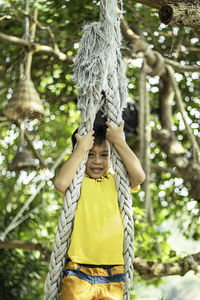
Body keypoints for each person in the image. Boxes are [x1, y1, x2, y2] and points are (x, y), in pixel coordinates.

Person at [54, 120, 145, 300]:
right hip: (78, 270)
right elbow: (60, 183)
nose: (97, 161)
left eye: (104, 155)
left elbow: (139, 176)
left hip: (114, 273)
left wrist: (119, 141)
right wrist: (80, 149)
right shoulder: (77, 184)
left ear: (112, 158)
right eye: (90, 154)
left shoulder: (117, 183)